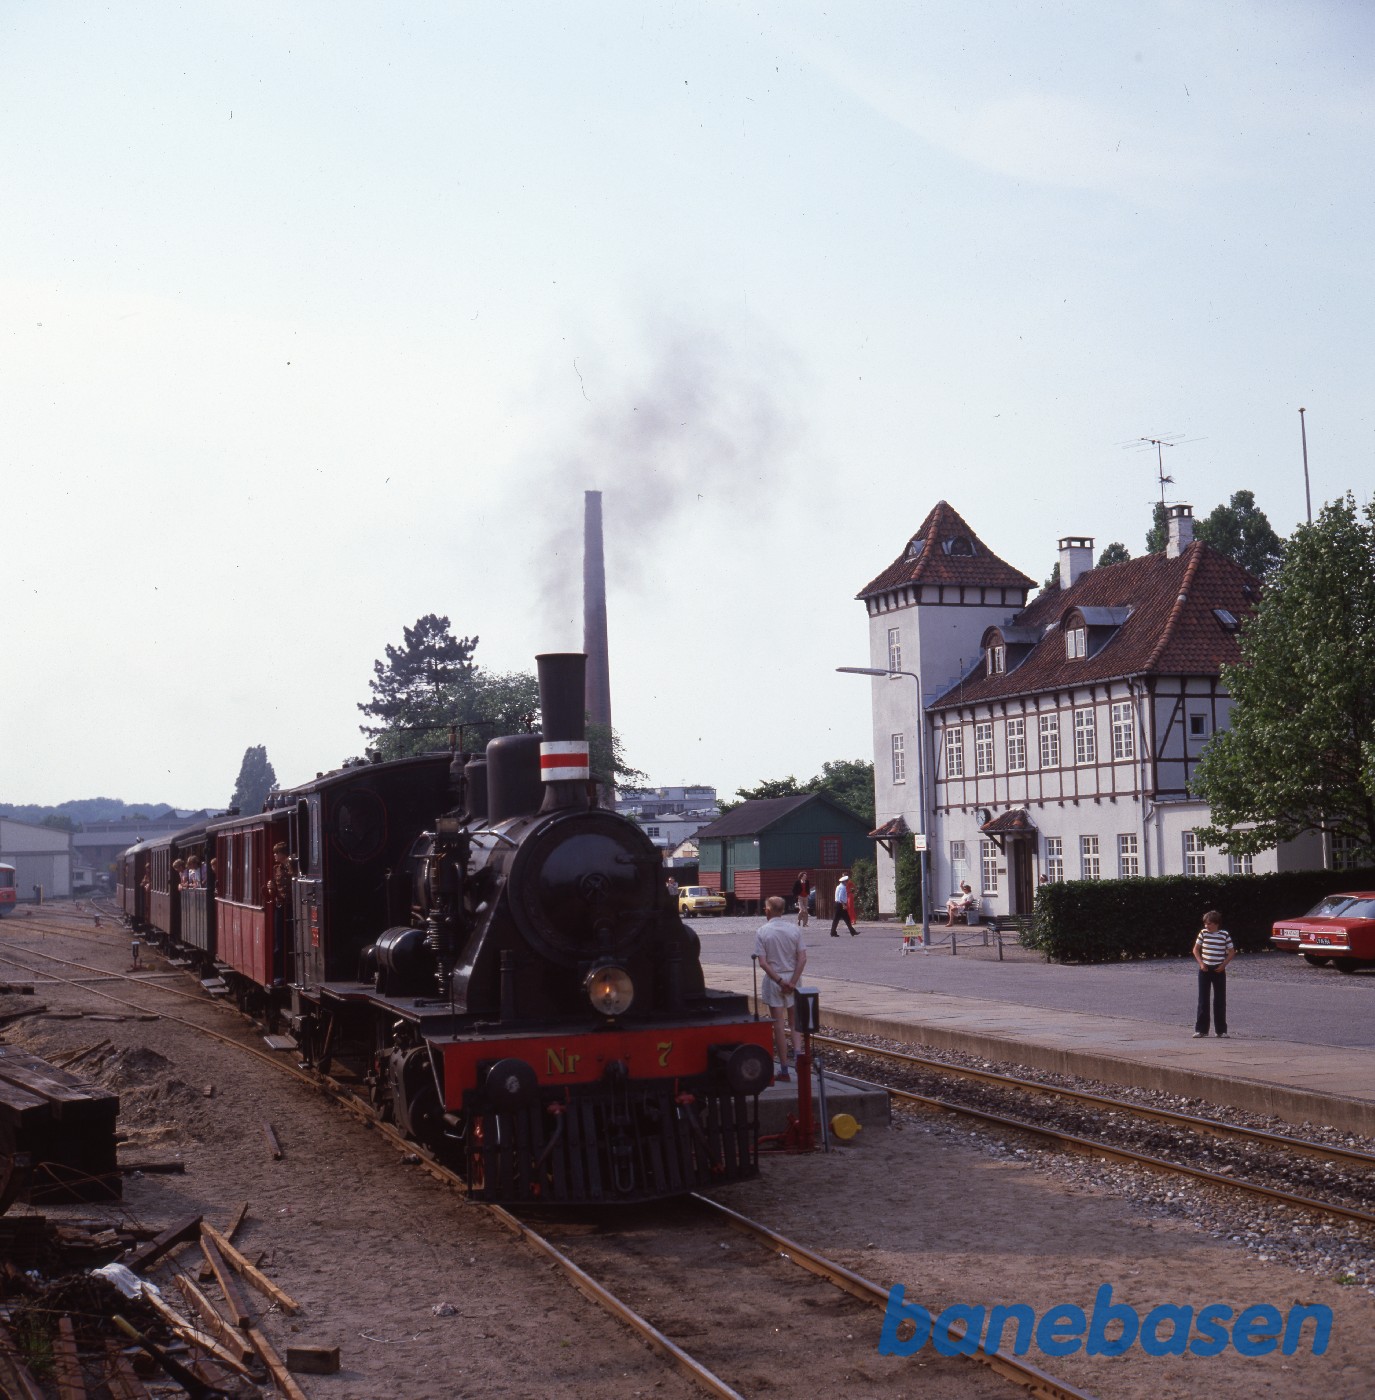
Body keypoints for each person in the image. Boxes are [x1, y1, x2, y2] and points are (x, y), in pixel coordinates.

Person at [754, 895, 806, 1080]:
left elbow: (762, 962)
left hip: (774, 980)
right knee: (794, 1022)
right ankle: (799, 1055)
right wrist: (792, 981)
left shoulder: (762, 931)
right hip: (793, 977)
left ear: (767, 910)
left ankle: (784, 1069)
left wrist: (779, 981)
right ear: (783, 910)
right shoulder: (794, 930)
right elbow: (802, 958)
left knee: (778, 1025)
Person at [1193, 909, 1235, 1037]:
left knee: (1220, 1000)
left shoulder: (1224, 935)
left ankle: (1221, 1030)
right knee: (1203, 999)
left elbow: (1232, 951)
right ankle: (1201, 1030)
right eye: (1206, 923)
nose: (1207, 926)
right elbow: (1195, 950)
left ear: (1216, 924)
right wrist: (1201, 963)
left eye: (1210, 923)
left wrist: (1223, 965)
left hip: (1218, 970)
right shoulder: (1203, 933)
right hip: (1205, 969)